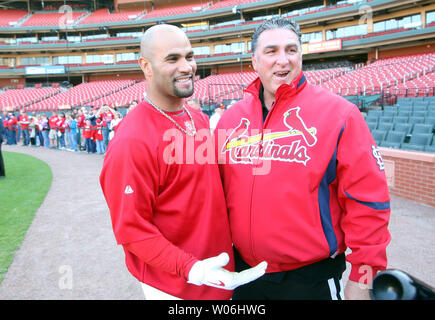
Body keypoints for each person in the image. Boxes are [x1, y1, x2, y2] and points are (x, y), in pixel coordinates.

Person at [215, 17, 391, 300]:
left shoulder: (340, 115)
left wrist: (363, 277)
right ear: (254, 61)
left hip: (310, 281)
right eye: (271, 51)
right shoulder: (231, 118)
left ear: (301, 55)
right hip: (244, 276)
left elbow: (369, 203)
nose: (282, 61)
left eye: (291, 50)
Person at [99, 24, 266, 300]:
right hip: (176, 286)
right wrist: (191, 268)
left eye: (189, 56)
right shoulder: (131, 141)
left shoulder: (196, 117)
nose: (186, 66)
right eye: (172, 59)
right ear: (146, 66)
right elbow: (131, 229)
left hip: (220, 276)